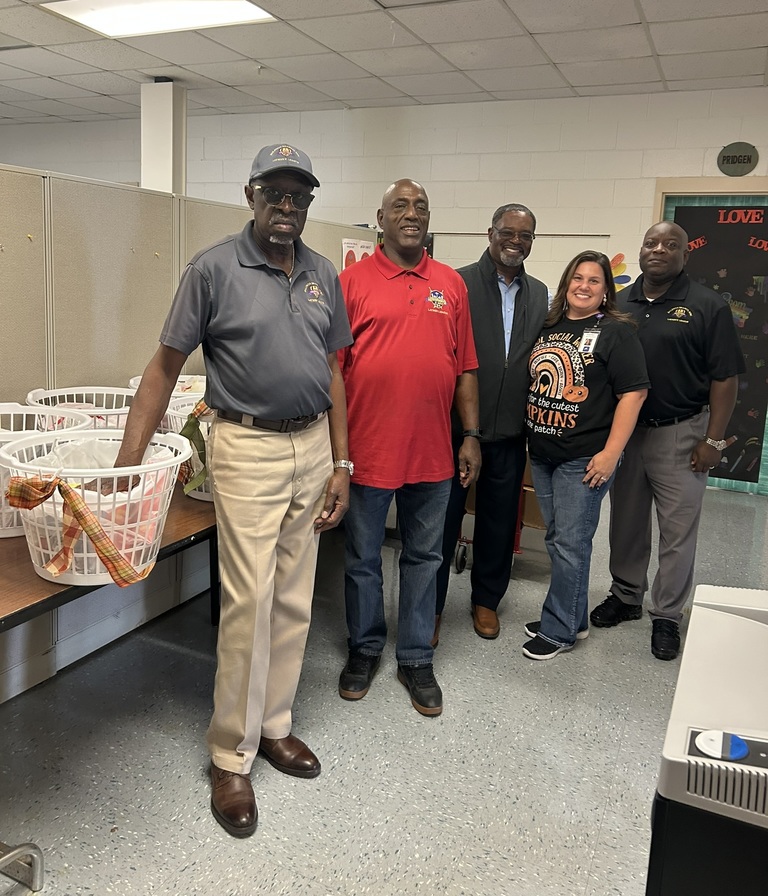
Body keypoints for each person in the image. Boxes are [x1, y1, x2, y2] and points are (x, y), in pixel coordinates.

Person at [112, 144, 353, 838]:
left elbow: (334, 371)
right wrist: (130, 469)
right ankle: (229, 754)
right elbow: (162, 370)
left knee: (294, 595)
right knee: (246, 601)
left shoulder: (322, 274)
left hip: (312, 445)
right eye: (274, 193)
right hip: (244, 445)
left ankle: (274, 726)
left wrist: (343, 462)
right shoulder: (212, 269)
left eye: (299, 196)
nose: (287, 207)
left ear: (309, 204)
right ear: (251, 196)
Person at [337, 179, 481, 716]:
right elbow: (333, 374)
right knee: (362, 559)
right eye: (401, 205)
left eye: (421, 205)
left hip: (433, 455)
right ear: (380, 218)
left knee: (426, 556)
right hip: (367, 451)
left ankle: (416, 656)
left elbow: (465, 365)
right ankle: (366, 647)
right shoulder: (350, 282)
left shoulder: (451, 284)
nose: (412, 213)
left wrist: (470, 435)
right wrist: (338, 454)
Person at [590, 221, 746, 660]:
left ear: (684, 255)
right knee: (626, 522)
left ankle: (667, 615)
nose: (658, 250)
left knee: (677, 531)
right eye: (650, 243)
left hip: (682, 432)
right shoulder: (620, 302)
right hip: (627, 433)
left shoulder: (707, 305)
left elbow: (725, 379)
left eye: (669, 245)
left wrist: (712, 441)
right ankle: (625, 596)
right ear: (640, 250)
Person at [523, 251, 649, 661]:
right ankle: (573, 620)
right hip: (543, 453)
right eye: (577, 278)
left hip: (585, 457)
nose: (584, 286)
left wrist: (611, 453)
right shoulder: (549, 325)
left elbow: (634, 393)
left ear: (606, 290)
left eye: (594, 280)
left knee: (570, 545)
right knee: (559, 539)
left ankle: (558, 631)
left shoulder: (617, 331)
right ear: (566, 283)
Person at [436, 203, 548, 644]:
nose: (516, 242)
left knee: (500, 523)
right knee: (441, 522)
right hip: (455, 429)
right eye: (508, 232)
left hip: (509, 431)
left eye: (526, 236)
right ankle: (431, 607)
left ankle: (486, 600)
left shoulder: (539, 293)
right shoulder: (456, 282)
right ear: (490, 233)